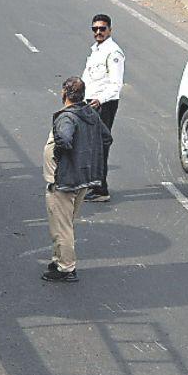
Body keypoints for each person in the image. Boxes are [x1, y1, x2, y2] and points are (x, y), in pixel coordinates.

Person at [43, 76, 110, 283]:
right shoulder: (90, 113)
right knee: (66, 223)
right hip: (82, 178)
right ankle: (59, 258)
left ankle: (66, 268)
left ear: (64, 93)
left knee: (61, 227)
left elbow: (64, 139)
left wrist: (62, 157)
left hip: (63, 181)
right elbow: (106, 138)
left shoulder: (67, 117)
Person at [81, 14, 125, 202]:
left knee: (100, 146)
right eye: (95, 29)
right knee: (91, 146)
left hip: (104, 105)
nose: (98, 32)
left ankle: (101, 190)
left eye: (102, 29)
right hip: (90, 102)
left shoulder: (114, 53)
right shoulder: (96, 50)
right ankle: (94, 184)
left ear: (110, 30)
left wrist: (99, 100)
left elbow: (116, 84)